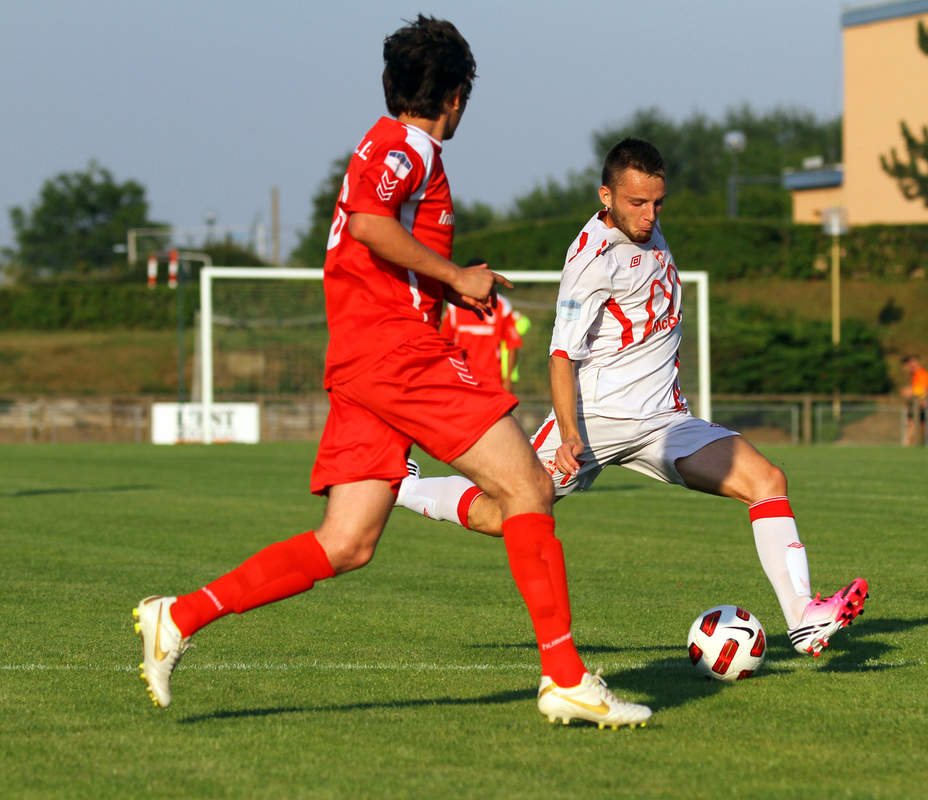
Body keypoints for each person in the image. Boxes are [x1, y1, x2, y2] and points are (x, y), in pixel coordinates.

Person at [133, 16, 649, 730]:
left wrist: (447, 285)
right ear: (457, 96)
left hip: (363, 359)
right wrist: (457, 277)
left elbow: (372, 238)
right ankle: (565, 678)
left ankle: (179, 615)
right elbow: (370, 223)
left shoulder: (393, 147)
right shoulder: (403, 145)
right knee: (528, 486)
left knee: (347, 542)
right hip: (394, 351)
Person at [395, 138, 869, 658]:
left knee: (767, 481)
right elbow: (560, 355)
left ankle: (802, 618)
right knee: (499, 515)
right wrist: (569, 433)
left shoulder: (647, 227)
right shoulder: (592, 261)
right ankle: (402, 486)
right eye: (636, 203)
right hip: (595, 423)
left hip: (665, 422)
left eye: (657, 203)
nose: (649, 215)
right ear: (606, 197)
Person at [440, 258, 526, 391]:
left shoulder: (501, 306)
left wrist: (508, 379)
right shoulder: (454, 307)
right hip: (462, 379)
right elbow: (444, 343)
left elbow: (512, 344)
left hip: (492, 381)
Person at [901, 354, 928, 446]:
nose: (911, 365)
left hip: (920, 402)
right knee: (912, 422)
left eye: (913, 362)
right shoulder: (914, 374)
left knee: (918, 424)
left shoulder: (922, 374)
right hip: (915, 402)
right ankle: (909, 443)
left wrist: (911, 391)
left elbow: (924, 390)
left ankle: (911, 443)